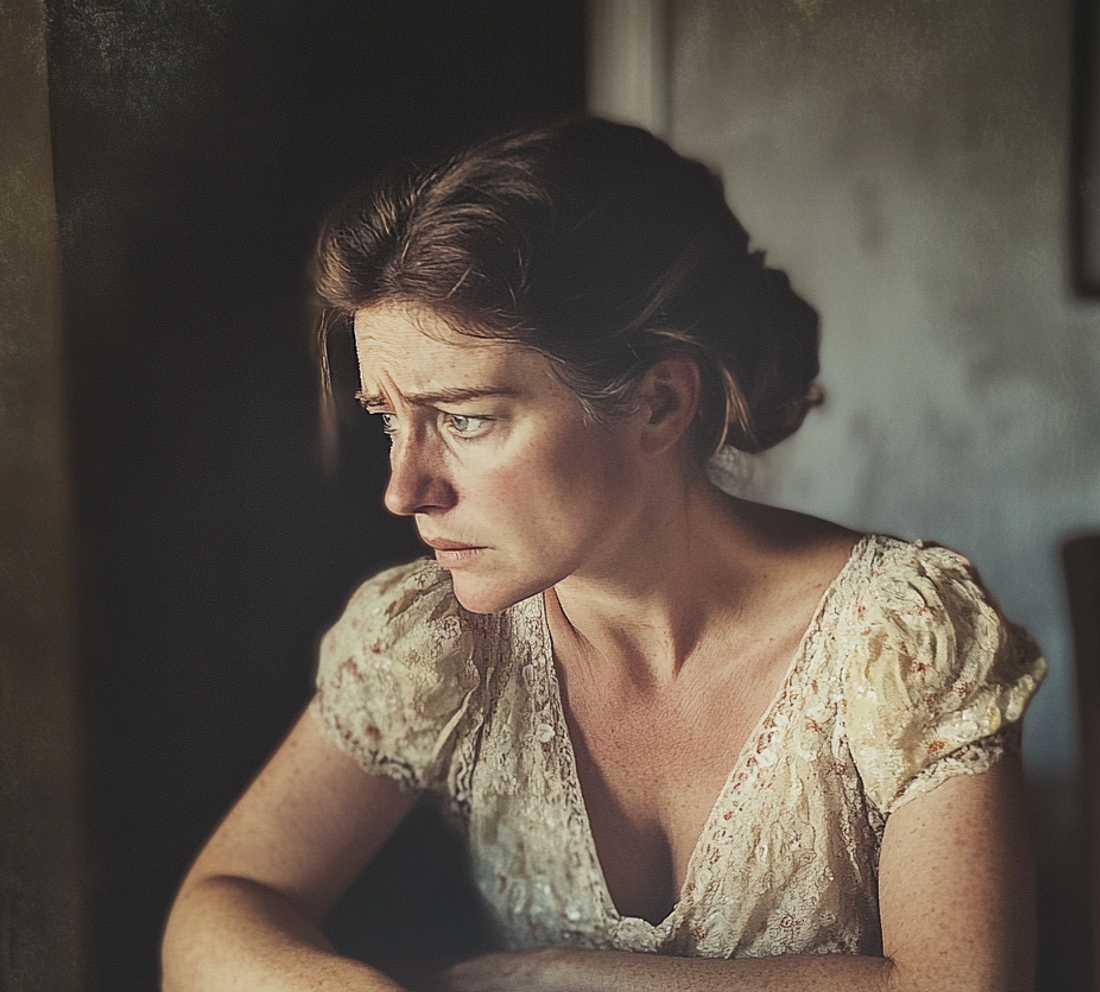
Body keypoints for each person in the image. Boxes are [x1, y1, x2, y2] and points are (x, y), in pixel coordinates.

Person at [161, 117, 1047, 991]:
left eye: (465, 419)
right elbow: (217, 910)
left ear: (659, 402)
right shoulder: (431, 642)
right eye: (389, 418)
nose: (405, 489)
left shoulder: (901, 637)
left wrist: (535, 976)